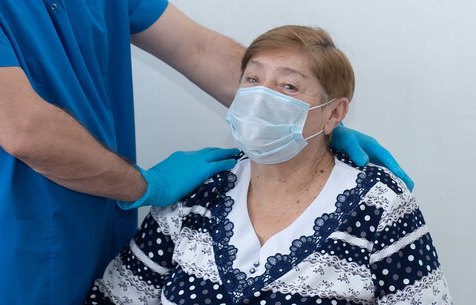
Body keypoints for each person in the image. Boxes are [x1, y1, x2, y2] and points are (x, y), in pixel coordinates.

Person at [0, 0, 412, 305]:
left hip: (99, 233)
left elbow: (196, 49)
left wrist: (305, 115)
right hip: (2, 252)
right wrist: (146, 186)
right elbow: (23, 128)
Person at [85, 26, 451, 305]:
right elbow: (116, 299)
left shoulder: (379, 204)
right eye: (253, 80)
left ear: (334, 113)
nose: (262, 98)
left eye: (289, 86)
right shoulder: (198, 191)